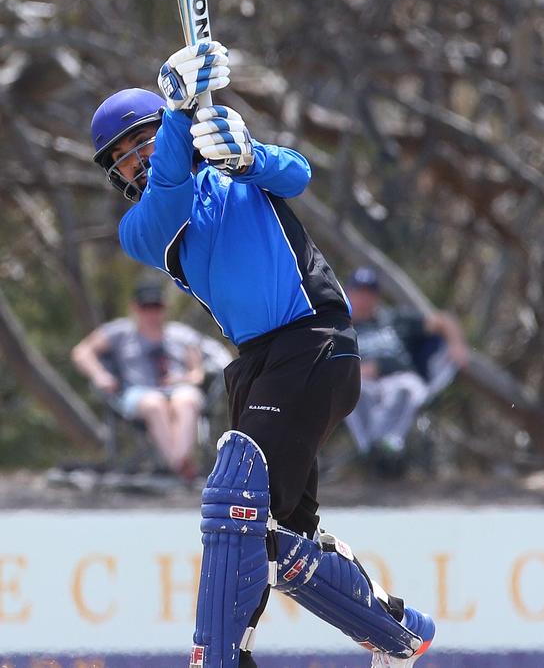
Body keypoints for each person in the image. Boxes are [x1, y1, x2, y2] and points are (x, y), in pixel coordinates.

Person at [89, 39, 435, 668]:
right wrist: (173, 114)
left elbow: (297, 172)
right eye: (121, 158)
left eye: (138, 143)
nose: (135, 162)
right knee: (271, 541)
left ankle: (216, 661)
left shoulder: (228, 169)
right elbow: (168, 192)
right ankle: (400, 632)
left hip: (314, 340)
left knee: (232, 502)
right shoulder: (142, 228)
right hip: (255, 368)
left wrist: (248, 153)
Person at [71, 280, 206, 479]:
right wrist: (100, 375)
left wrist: (182, 379)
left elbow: (198, 374)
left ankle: (177, 463)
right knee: (155, 404)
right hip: (138, 393)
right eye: (146, 307)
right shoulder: (120, 332)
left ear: (164, 307)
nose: (152, 314)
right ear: (135, 307)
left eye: (156, 307)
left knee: (188, 400)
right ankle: (181, 466)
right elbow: (81, 352)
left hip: (178, 389)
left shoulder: (182, 335)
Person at [345, 267, 469, 477]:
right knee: (352, 389)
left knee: (404, 389)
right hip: (361, 382)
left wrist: (457, 344)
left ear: (376, 297)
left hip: (399, 379)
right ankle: (371, 448)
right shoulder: (340, 326)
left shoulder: (394, 320)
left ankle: (389, 444)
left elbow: (443, 320)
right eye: (358, 292)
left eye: (369, 293)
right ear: (348, 294)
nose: (363, 299)